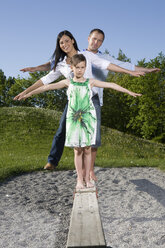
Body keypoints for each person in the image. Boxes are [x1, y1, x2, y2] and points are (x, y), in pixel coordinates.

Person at [14, 30, 146, 179]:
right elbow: (45, 81)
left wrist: (129, 72)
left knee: (93, 134)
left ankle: (89, 170)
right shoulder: (62, 64)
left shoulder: (87, 56)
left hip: (91, 98)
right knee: (61, 131)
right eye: (61, 43)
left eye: (66, 41)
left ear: (73, 41)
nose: (64, 45)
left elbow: (107, 65)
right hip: (74, 101)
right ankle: (52, 161)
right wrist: (26, 92)